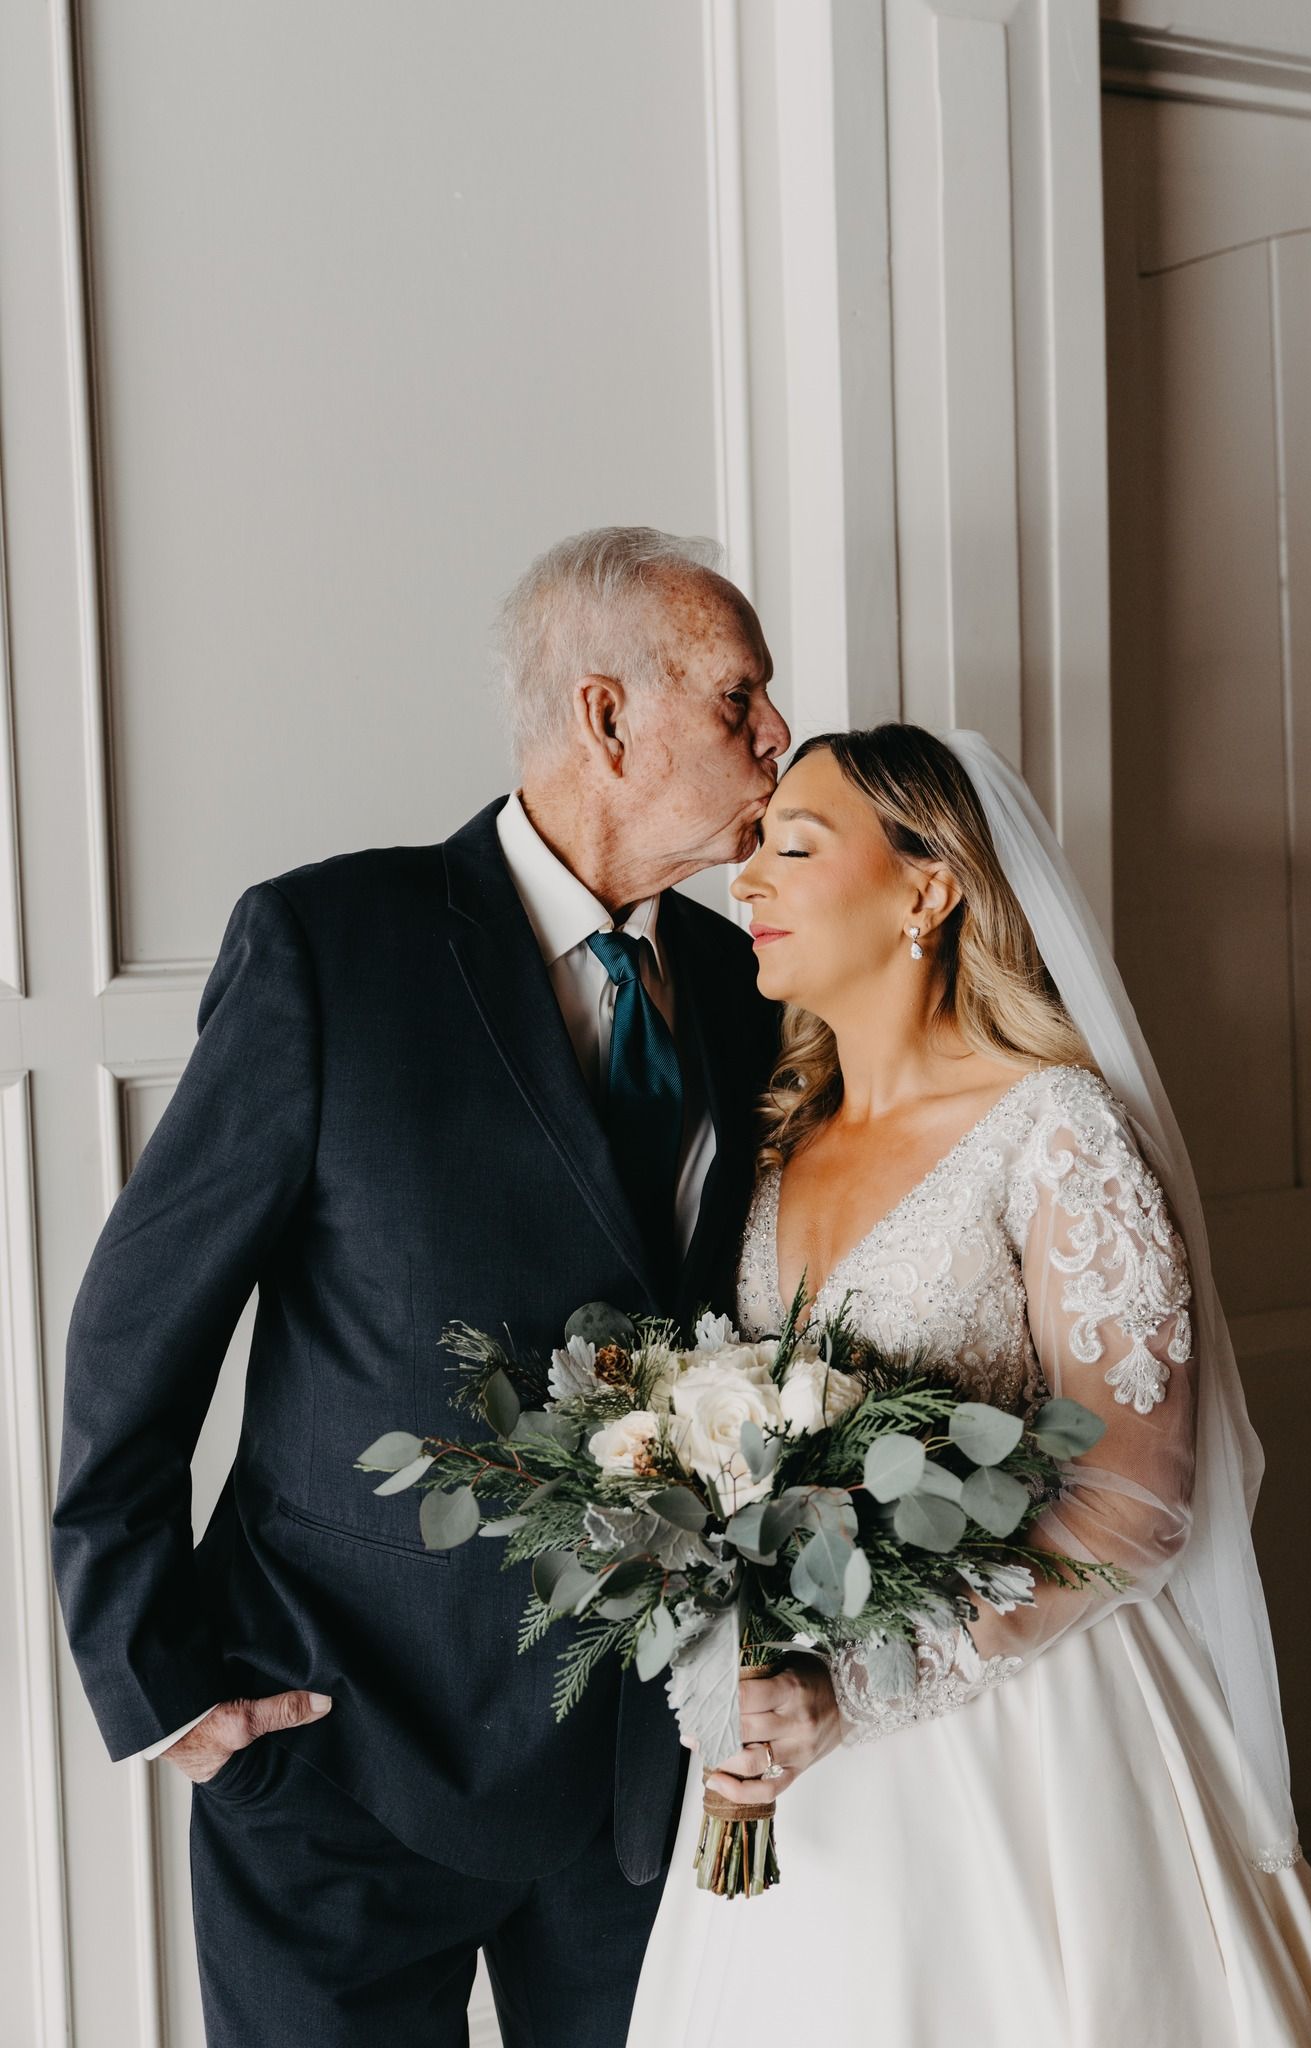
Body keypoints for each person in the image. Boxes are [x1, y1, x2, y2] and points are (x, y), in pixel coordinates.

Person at [49, 526, 807, 2046]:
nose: (777, 735)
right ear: (607, 717)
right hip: (335, 1758)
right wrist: (159, 1687)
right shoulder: (331, 947)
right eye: (739, 697)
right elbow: (138, 1326)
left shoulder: (744, 988)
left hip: (630, 1783)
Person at [628, 723, 1311, 2047]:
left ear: (927, 890)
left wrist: (862, 1688)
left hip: (1027, 1740)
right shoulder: (775, 1141)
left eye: (792, 849)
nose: (742, 879)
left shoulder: (1056, 1133)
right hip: (793, 1769)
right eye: (752, 847)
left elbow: (1133, 1504)